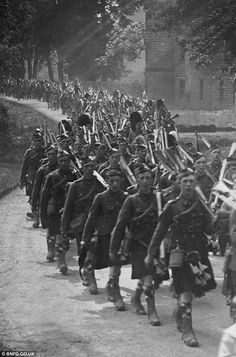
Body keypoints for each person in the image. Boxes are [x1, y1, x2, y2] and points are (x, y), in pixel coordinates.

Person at [145, 169, 217, 347]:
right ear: (178, 184)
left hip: (199, 254)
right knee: (185, 292)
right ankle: (187, 332)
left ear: (196, 184)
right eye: (185, 181)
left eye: (192, 181)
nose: (188, 185)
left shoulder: (201, 205)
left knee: (193, 290)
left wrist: (217, 220)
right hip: (180, 254)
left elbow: (209, 229)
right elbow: (160, 231)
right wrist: (151, 253)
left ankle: (179, 311)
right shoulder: (172, 206)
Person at [110, 164, 163, 326]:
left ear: (152, 179)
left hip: (156, 245)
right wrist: (114, 249)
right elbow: (120, 226)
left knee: (154, 277)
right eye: (142, 178)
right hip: (138, 245)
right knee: (148, 279)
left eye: (148, 178)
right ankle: (152, 311)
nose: (146, 181)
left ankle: (136, 298)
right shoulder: (131, 201)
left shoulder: (159, 199)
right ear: (137, 180)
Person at [81, 169, 127, 310]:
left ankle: (114, 289)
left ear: (121, 182)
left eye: (117, 181)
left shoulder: (126, 197)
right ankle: (91, 278)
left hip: (119, 237)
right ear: (107, 182)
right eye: (111, 181)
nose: (115, 184)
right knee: (96, 260)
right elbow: (91, 218)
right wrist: (85, 238)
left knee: (116, 266)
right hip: (103, 235)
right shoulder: (100, 197)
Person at [60, 158, 105, 267]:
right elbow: (68, 207)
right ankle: (86, 271)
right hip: (81, 222)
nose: (89, 169)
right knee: (83, 249)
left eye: (91, 166)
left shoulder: (101, 185)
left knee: (96, 250)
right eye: (86, 167)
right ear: (82, 168)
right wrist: (64, 228)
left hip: (97, 222)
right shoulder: (75, 185)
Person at [40, 150, 77, 270]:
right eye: (61, 161)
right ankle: (57, 257)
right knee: (53, 234)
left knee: (64, 236)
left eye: (66, 160)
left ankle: (61, 258)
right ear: (58, 161)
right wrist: (43, 215)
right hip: (55, 209)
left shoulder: (74, 175)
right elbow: (44, 196)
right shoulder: (51, 176)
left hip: (68, 209)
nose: (63, 163)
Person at [31, 145, 58, 229]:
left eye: (53, 154)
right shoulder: (42, 169)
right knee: (46, 223)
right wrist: (33, 202)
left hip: (59, 198)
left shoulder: (61, 168)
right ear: (46, 155)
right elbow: (36, 187)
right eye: (49, 154)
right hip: (47, 198)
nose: (51, 156)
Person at [20, 131, 45, 217]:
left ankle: (39, 211)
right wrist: (22, 180)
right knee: (32, 193)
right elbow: (24, 167)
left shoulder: (45, 151)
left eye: (39, 140)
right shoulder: (29, 152)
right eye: (35, 141)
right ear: (32, 141)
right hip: (32, 176)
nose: (37, 143)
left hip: (42, 175)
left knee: (42, 193)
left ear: (42, 141)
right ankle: (34, 211)